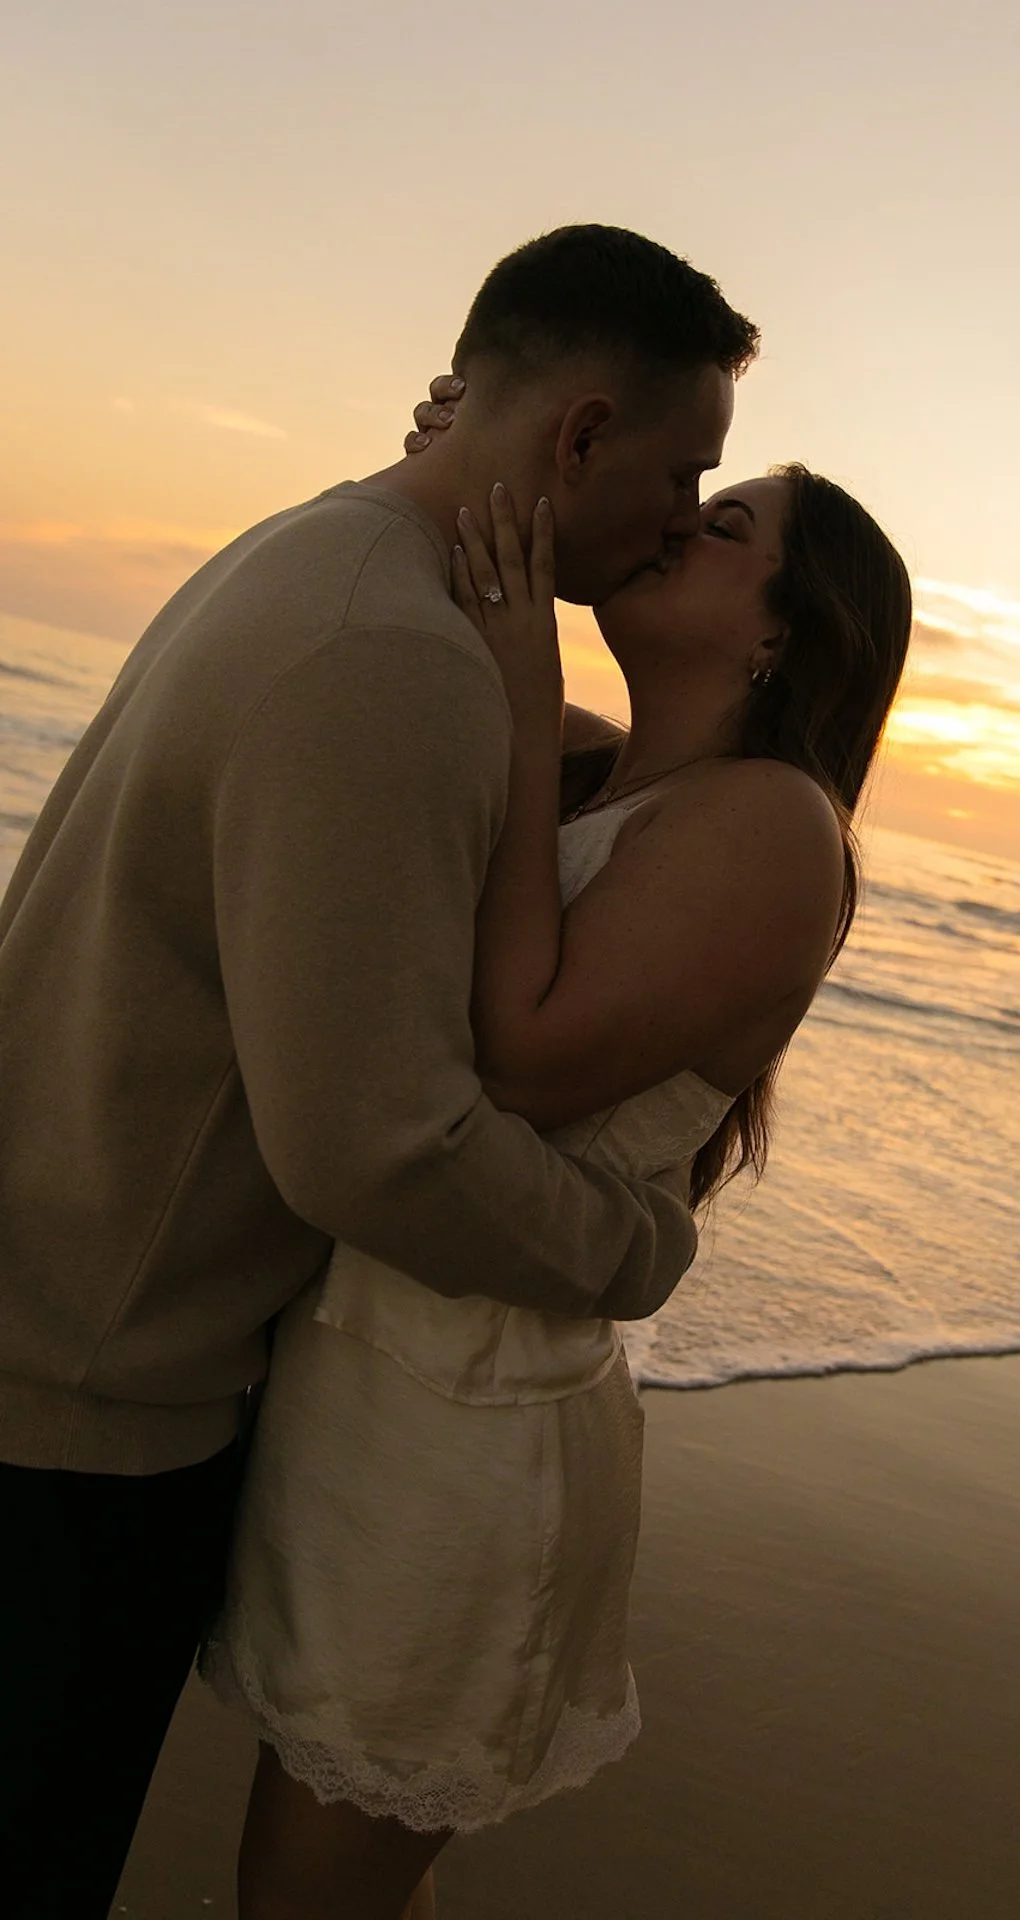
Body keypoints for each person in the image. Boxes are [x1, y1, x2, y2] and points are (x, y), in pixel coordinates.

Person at [0, 223, 760, 1920]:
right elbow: (380, 1150)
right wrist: (640, 1250)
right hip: (78, 1410)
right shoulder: (384, 652)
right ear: (577, 437)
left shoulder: (323, 558)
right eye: (680, 466)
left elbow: (591, 812)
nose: (680, 513)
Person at [209, 439, 913, 1917]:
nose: (675, 527)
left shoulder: (775, 822)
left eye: (724, 526)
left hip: (467, 1430)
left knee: (305, 1895)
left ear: (788, 628)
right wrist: (472, 431)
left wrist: (527, 708)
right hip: (367, 1374)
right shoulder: (608, 765)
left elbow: (524, 1061)